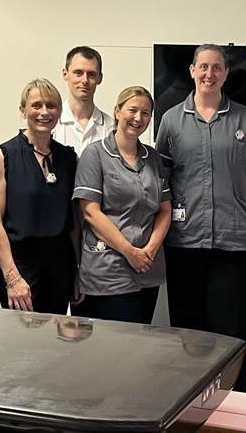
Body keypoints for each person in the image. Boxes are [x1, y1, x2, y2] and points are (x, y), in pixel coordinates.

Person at [155, 44, 246, 391]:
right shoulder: (171, 120)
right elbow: (161, 180)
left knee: (233, 333)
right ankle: (188, 398)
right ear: (192, 70)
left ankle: (235, 402)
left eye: (217, 67)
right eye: (203, 66)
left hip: (235, 241)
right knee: (189, 330)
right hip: (185, 241)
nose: (209, 74)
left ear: (225, 73)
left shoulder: (243, 118)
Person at [72, 86, 171, 324]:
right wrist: (130, 252)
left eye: (145, 113)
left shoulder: (153, 157)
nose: (138, 118)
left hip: (147, 269)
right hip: (109, 272)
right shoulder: (95, 155)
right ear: (118, 111)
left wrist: (150, 250)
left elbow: (165, 209)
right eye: (132, 110)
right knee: (111, 351)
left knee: (138, 348)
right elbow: (90, 212)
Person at [0, 79, 78, 314]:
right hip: (20, 265)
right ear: (23, 110)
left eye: (51, 105)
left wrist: (77, 271)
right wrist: (12, 277)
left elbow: (73, 224)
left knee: (54, 344)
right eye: (36, 105)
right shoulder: (2, 156)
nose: (44, 112)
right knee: (22, 343)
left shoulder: (68, 158)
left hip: (60, 265)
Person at [52, 46, 114, 156]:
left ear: (100, 78)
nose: (85, 80)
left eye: (91, 74)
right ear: (65, 74)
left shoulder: (111, 128)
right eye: (78, 73)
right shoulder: (50, 123)